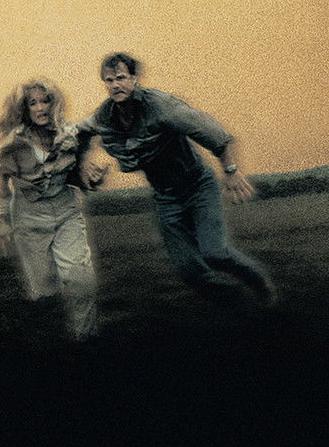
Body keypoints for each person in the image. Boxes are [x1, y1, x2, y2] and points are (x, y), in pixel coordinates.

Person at [78, 53, 277, 310]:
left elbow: (210, 131)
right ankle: (241, 306)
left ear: (134, 79)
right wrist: (83, 162)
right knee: (189, 272)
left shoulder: (161, 106)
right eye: (109, 80)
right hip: (166, 198)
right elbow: (80, 133)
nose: (115, 85)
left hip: (198, 187)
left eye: (121, 77)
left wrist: (231, 170)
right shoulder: (104, 116)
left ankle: (259, 283)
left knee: (214, 253)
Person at [0, 78, 102, 341]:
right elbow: (2, 189)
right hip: (29, 216)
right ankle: (45, 327)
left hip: (66, 210)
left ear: (54, 103)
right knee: (44, 291)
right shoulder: (12, 145)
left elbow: (79, 174)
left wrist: (91, 178)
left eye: (45, 101)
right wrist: (1, 222)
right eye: (33, 103)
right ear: (24, 108)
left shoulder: (70, 135)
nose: (40, 108)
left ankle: (85, 340)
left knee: (80, 278)